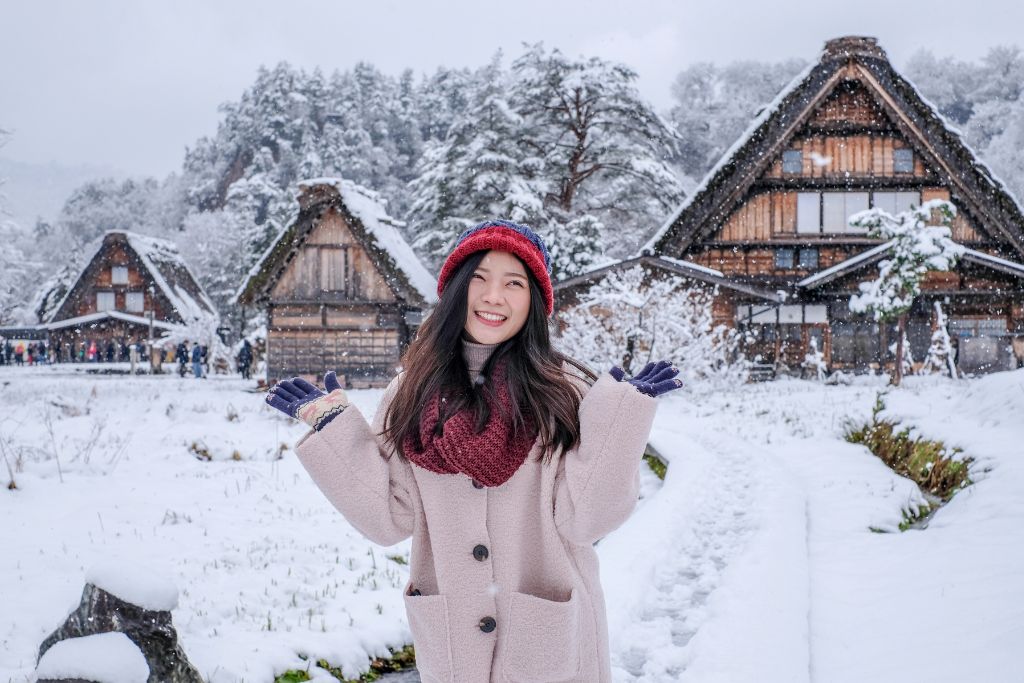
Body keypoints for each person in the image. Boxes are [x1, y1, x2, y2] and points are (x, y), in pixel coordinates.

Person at [265, 220, 682, 682]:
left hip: (551, 642)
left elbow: (584, 520)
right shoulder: (413, 392)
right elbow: (389, 517)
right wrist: (333, 429)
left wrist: (620, 419)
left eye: (514, 283)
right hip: (454, 646)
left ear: (535, 302)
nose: (493, 296)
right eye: (479, 278)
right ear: (456, 291)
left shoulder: (563, 392)